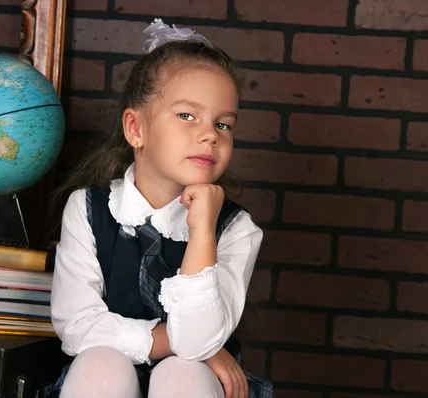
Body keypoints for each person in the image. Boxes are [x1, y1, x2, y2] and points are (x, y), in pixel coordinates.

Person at [48, 18, 272, 398]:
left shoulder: (235, 228)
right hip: (102, 374)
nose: (209, 135)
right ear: (136, 129)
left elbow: (198, 342)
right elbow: (78, 328)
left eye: (224, 124)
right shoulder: (86, 209)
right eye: (187, 115)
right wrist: (180, 342)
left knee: (183, 372)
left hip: (191, 384)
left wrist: (202, 230)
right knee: (100, 363)